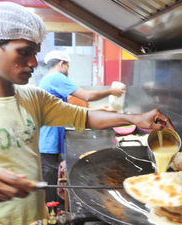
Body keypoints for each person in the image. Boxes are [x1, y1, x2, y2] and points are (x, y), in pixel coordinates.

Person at [0, 2, 174, 225]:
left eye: (35, 53)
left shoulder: (32, 96)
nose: (32, 62)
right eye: (24, 52)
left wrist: (134, 118)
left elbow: (84, 117)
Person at [38, 50, 124, 203]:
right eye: (68, 66)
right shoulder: (56, 78)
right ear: (61, 63)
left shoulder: (46, 80)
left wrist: (99, 109)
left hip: (48, 140)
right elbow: (87, 96)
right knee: (48, 185)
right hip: (47, 141)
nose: (68, 72)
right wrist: (112, 91)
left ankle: (51, 213)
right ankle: (49, 216)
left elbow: (67, 111)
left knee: (49, 181)